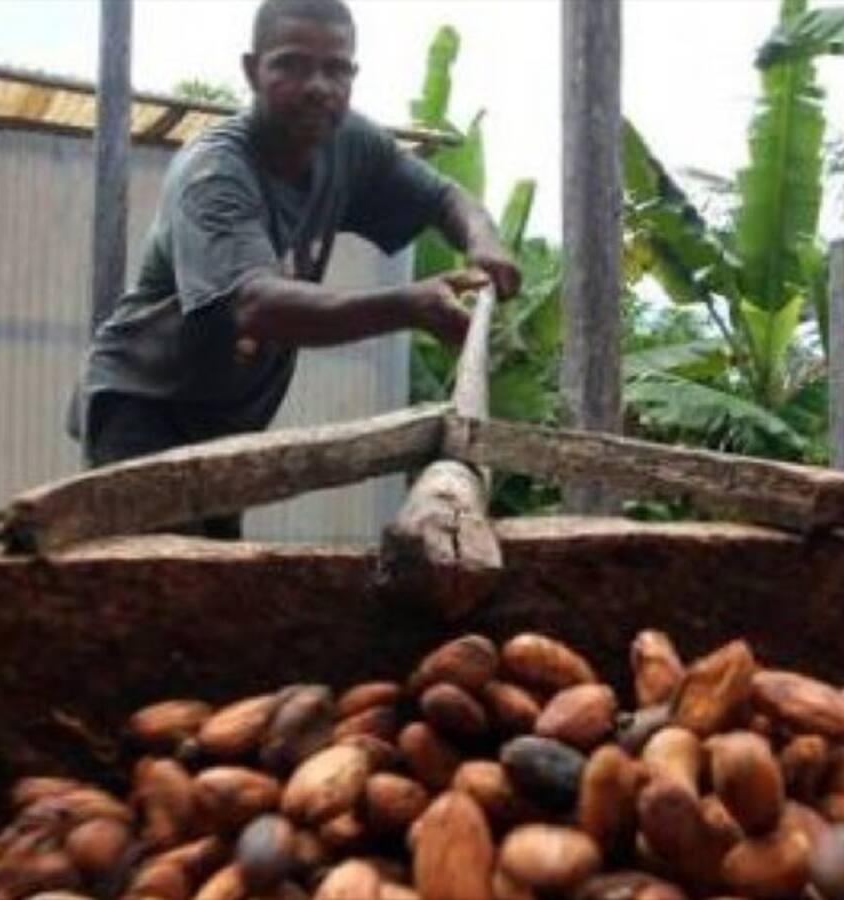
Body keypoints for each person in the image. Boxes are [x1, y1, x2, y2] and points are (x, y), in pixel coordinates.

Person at [71, 0, 520, 538]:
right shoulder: (215, 173)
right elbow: (256, 305)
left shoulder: (350, 143)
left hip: (227, 418)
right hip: (146, 404)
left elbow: (443, 195)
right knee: (141, 586)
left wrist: (483, 238)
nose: (318, 86)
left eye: (336, 69)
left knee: (208, 586)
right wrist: (408, 306)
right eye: (292, 64)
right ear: (251, 70)